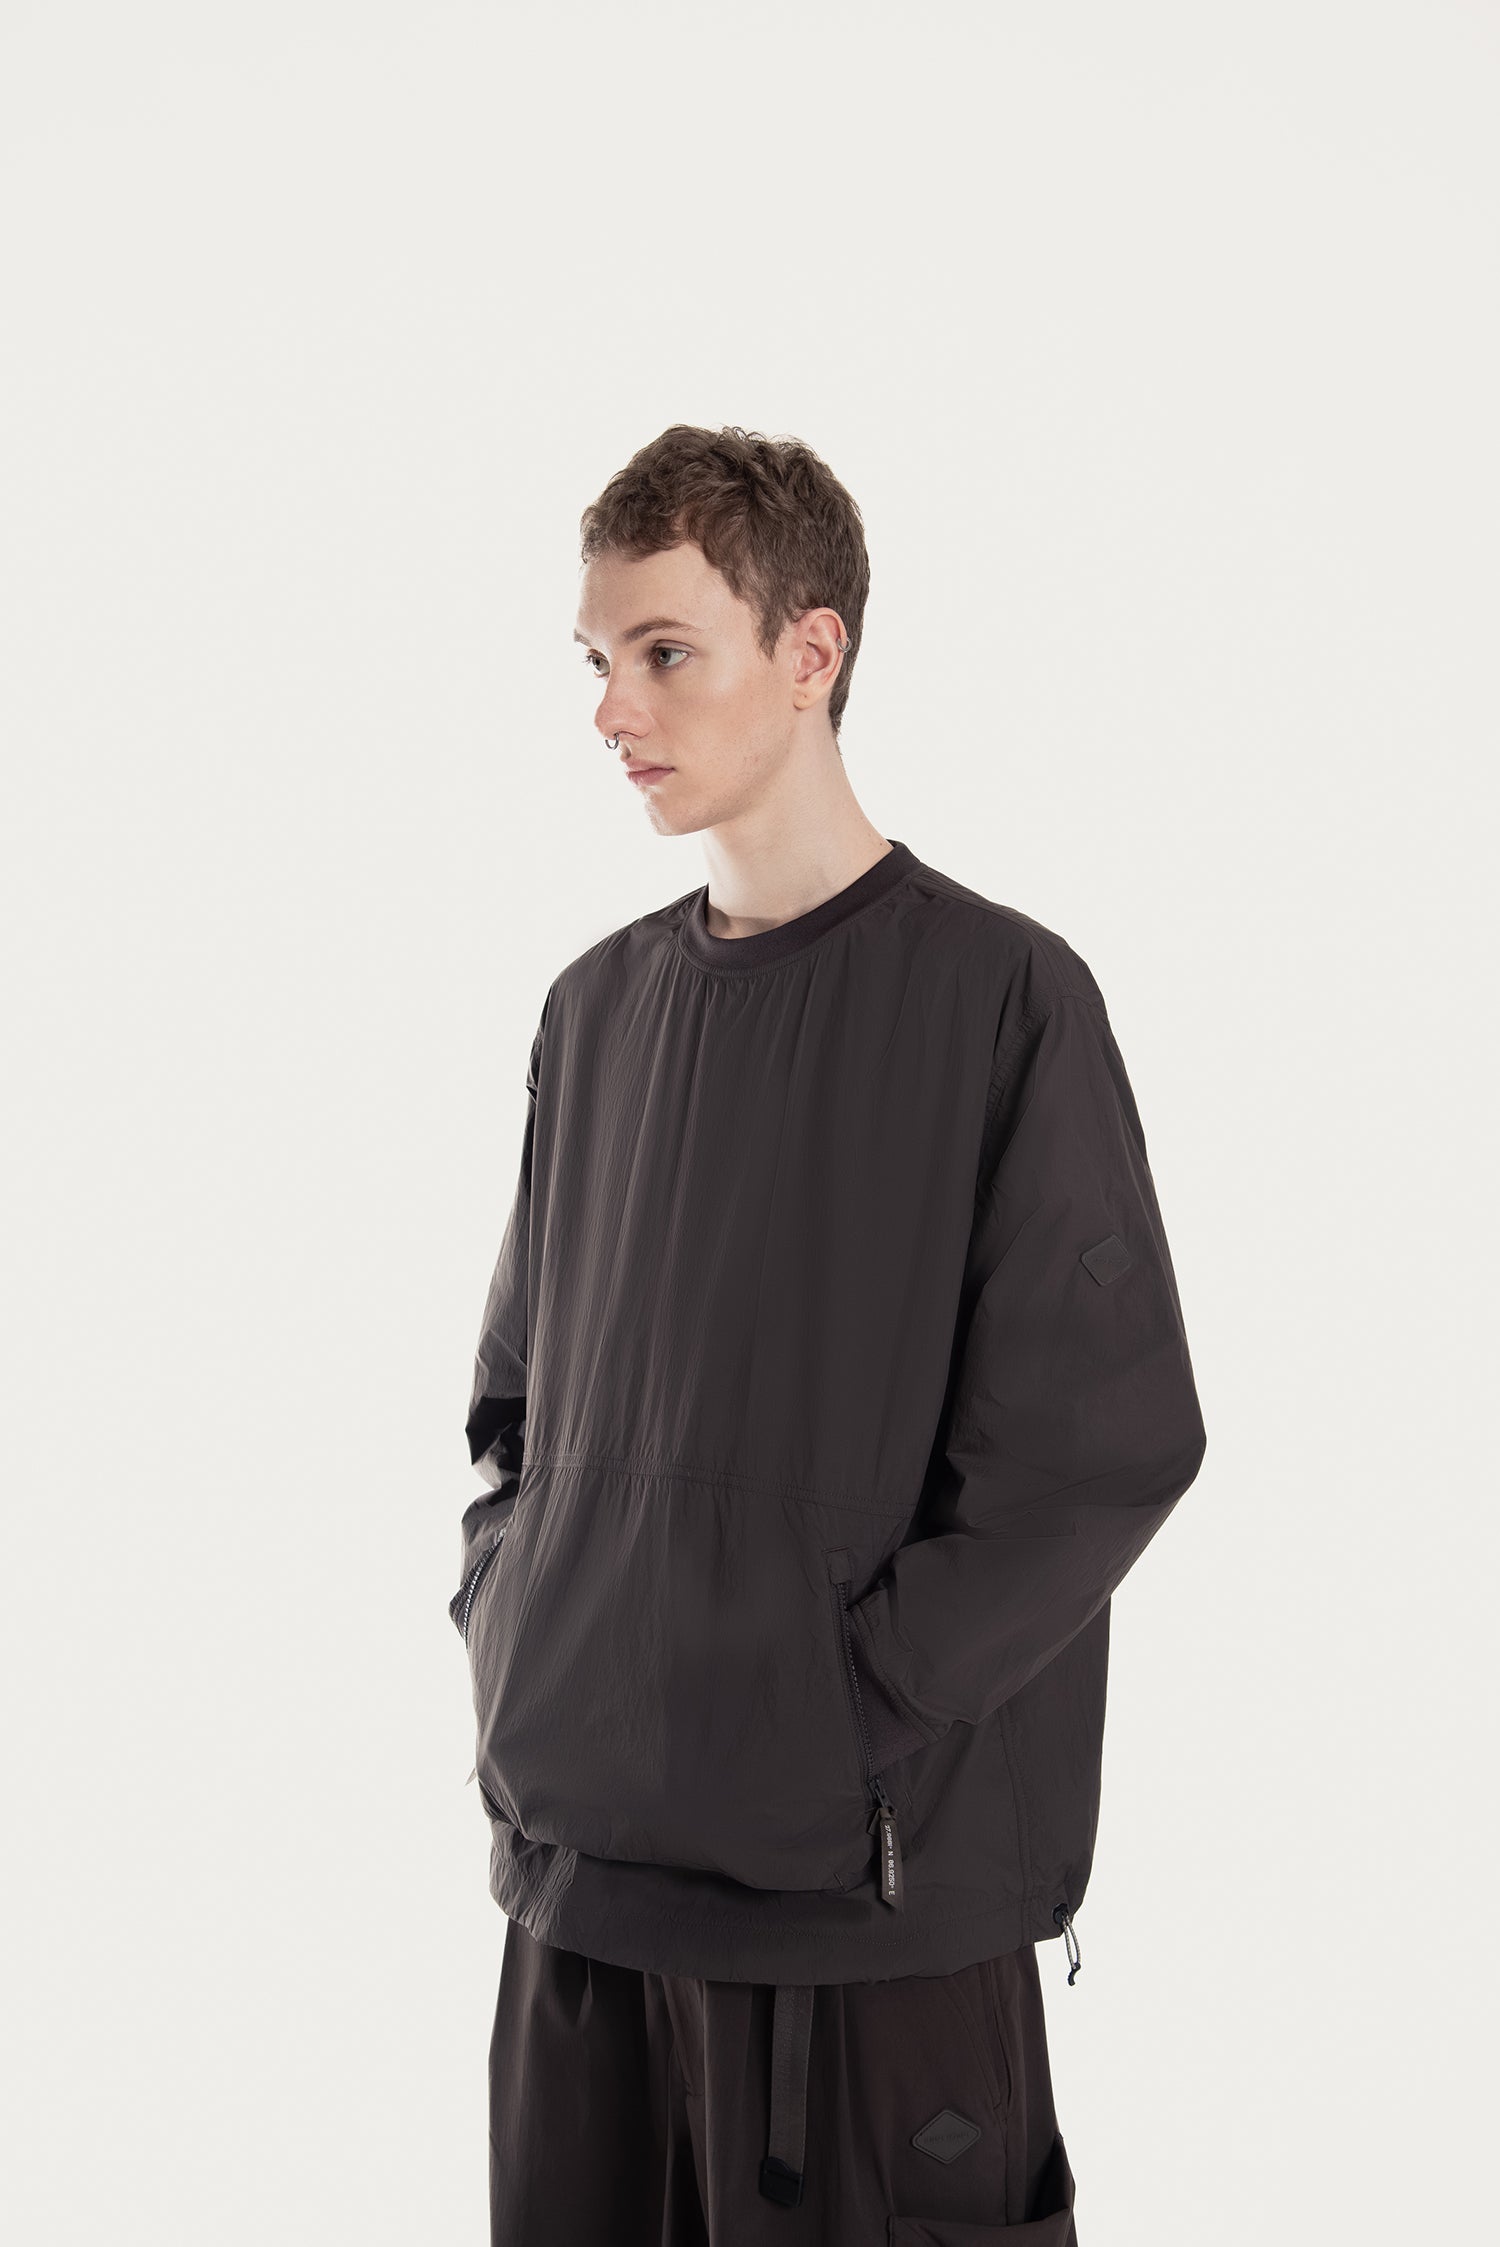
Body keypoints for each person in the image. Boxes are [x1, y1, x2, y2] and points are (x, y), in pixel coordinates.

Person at [451, 423, 1207, 2244]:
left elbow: (1102, 1449)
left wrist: (839, 1710)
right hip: (580, 1898)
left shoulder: (1002, 1000)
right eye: (597, 660)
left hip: (864, 1930)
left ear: (812, 650)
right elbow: (517, 1412)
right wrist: (519, 1621)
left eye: (664, 652)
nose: (613, 710)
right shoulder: (596, 1012)